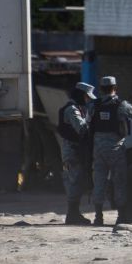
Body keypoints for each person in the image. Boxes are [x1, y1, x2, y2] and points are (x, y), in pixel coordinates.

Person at [88, 76, 132, 226]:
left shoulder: (93, 105)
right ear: (115, 88)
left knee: (99, 181)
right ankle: (121, 216)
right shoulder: (121, 105)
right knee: (119, 181)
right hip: (115, 149)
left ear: (101, 89)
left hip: (98, 149)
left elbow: (87, 123)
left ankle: (98, 217)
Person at [57, 82, 96, 225]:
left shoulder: (77, 108)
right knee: (74, 180)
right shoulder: (72, 110)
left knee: (77, 180)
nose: (88, 100)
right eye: (86, 97)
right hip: (72, 151)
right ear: (81, 95)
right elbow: (82, 129)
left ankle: (74, 213)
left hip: (76, 150)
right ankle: (72, 215)